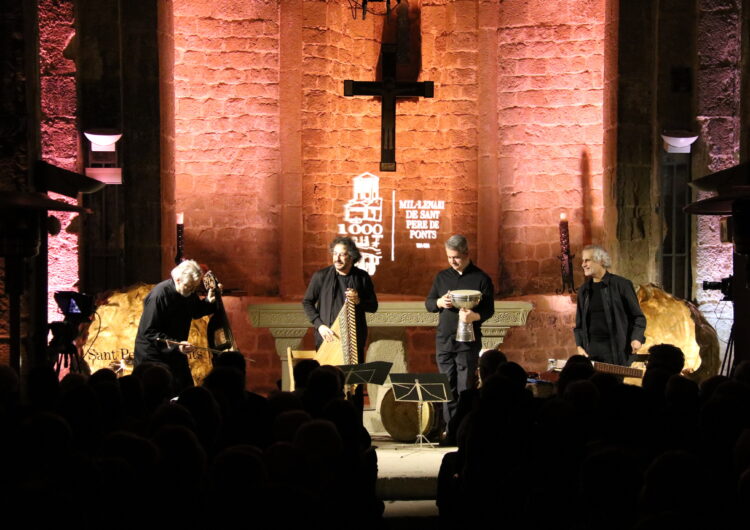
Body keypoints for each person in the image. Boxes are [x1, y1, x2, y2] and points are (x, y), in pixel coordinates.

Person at [426, 234, 495, 435]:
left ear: (466, 254)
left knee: (465, 387)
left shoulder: (481, 278)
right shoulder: (441, 277)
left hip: (467, 341)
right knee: (447, 387)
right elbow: (429, 303)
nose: (452, 261)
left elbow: (489, 309)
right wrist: (439, 303)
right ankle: (450, 429)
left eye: (456, 257)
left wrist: (474, 316)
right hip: (444, 339)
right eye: (449, 257)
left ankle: (465, 430)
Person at [134, 260, 217, 393]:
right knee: (161, 394)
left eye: (194, 288)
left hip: (175, 350)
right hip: (153, 356)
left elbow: (195, 311)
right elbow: (149, 332)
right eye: (189, 286)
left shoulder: (187, 291)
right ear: (177, 280)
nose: (191, 290)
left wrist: (209, 301)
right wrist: (176, 345)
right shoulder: (159, 295)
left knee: (185, 390)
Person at [302, 236, 378, 362]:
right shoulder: (321, 276)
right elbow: (307, 302)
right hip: (327, 336)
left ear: (352, 257)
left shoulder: (362, 277)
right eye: (335, 254)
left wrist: (358, 300)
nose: (337, 258)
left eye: (342, 255)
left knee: (352, 380)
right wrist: (319, 325)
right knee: (327, 379)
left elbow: (373, 306)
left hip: (353, 341)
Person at [574, 244, 646, 367]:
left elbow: (638, 317)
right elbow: (579, 325)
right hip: (591, 354)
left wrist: (636, 339)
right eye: (582, 261)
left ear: (601, 261)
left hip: (616, 355)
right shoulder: (583, 291)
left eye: (587, 260)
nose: (583, 264)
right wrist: (579, 346)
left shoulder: (622, 285)